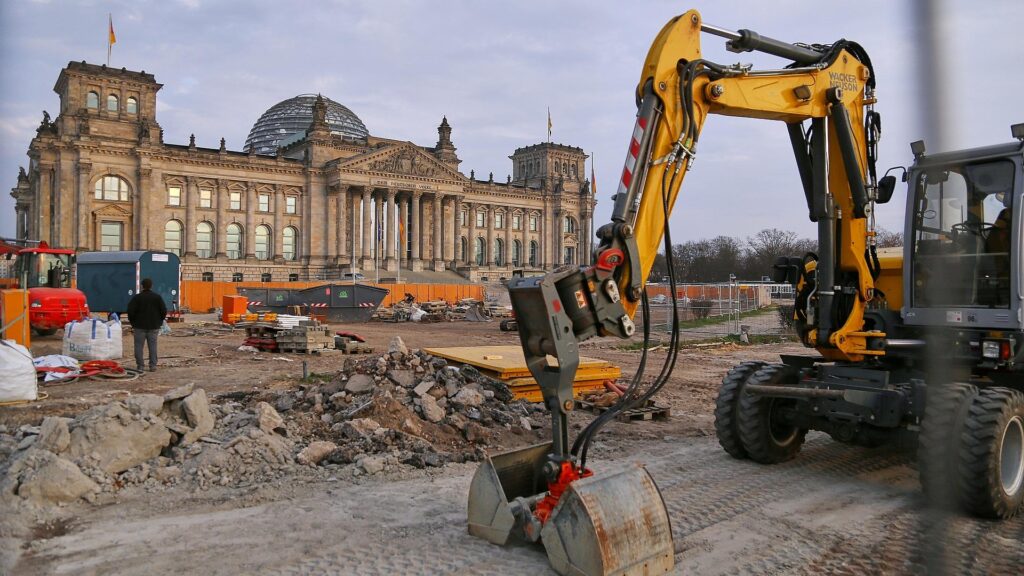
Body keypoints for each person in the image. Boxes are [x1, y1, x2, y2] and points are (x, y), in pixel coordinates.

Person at [126, 278, 167, 372]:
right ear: (151, 286)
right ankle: (152, 366)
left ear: (142, 286)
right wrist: (159, 321)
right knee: (152, 346)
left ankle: (140, 366)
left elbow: (130, 311)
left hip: (139, 326)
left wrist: (133, 322)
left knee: (138, 346)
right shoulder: (157, 297)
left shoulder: (137, 298)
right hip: (153, 326)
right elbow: (163, 310)